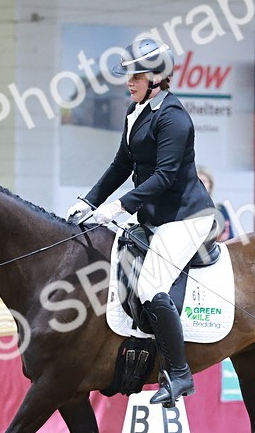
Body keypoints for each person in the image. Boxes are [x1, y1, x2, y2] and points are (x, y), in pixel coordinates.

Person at [66, 37, 215, 407]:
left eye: (137, 75)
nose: (129, 82)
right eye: (129, 76)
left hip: (186, 217)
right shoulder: (136, 112)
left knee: (150, 287)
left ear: (158, 77)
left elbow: (165, 176)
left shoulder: (174, 117)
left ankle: (179, 375)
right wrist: (89, 201)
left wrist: (116, 208)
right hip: (156, 217)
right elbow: (122, 164)